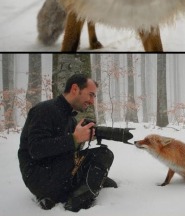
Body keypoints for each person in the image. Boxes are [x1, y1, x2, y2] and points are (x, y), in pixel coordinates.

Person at [18, 74, 117, 212]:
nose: (92, 101)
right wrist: (74, 139)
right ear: (75, 89)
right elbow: (36, 150)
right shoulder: (44, 110)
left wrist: (81, 140)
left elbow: (67, 151)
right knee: (103, 154)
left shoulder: (71, 119)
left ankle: (78, 186)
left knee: (98, 161)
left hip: (57, 171)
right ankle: (76, 203)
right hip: (39, 177)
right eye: (91, 95)